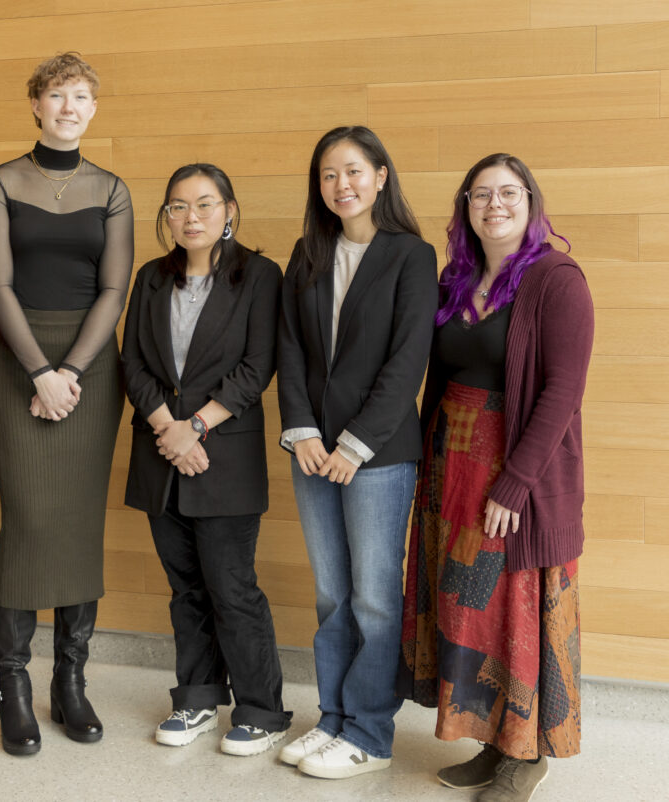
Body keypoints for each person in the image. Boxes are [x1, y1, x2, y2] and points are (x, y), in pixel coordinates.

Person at [398, 154, 591, 802]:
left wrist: (515, 484)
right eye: (481, 194)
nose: (495, 204)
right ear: (465, 208)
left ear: (531, 201)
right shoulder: (457, 279)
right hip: (449, 469)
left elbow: (563, 390)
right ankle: (491, 741)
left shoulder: (557, 280)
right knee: (468, 611)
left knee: (517, 607)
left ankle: (526, 755)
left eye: (508, 192)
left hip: (515, 476)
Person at [0, 51, 133, 756]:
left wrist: (70, 370)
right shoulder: (0, 182)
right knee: (30, 520)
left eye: (80, 97)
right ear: (34, 105)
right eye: (56, 96)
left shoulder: (113, 189)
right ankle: (12, 684)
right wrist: (40, 372)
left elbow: (113, 290)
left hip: (92, 369)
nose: (69, 107)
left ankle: (71, 682)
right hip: (16, 361)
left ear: (93, 108)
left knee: (76, 521)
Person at [276, 125, 437, 778]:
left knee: (374, 599)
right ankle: (334, 719)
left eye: (353, 171)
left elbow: (407, 362)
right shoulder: (307, 252)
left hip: (380, 453)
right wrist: (304, 430)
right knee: (331, 597)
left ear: (380, 176)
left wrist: (356, 443)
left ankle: (369, 734)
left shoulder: (411, 255)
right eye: (328, 175)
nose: (341, 185)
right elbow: (288, 347)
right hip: (312, 452)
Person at [121, 164, 291, 756]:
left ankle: (262, 710)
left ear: (229, 212)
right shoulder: (149, 278)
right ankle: (195, 698)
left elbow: (258, 366)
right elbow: (134, 365)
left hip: (225, 456)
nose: (190, 217)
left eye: (204, 204)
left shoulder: (261, 276)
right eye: (177, 206)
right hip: (161, 453)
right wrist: (168, 428)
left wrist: (195, 428)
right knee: (184, 586)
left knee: (231, 585)